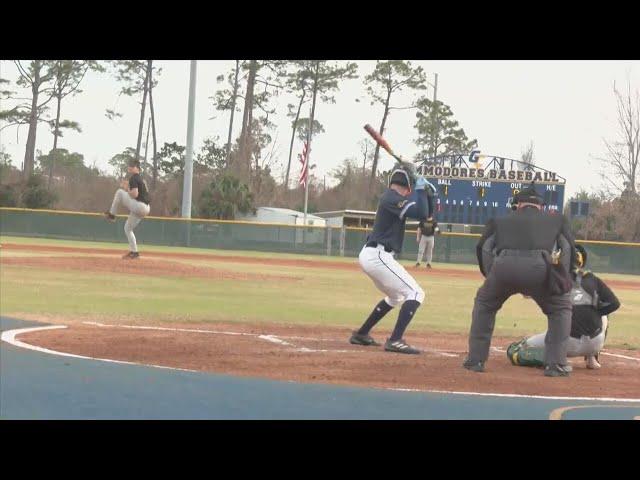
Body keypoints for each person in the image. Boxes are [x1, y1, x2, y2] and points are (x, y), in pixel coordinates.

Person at [463, 181, 577, 377]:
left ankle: (475, 361)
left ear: (517, 205)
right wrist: (561, 279)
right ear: (541, 206)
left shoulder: (498, 220)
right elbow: (567, 249)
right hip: (539, 267)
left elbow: (484, 248)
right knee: (560, 309)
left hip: (503, 266)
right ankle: (555, 365)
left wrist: (491, 275)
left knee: (484, 304)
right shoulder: (557, 220)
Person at [349, 162, 434, 354]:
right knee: (416, 293)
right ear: (407, 187)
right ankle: (395, 340)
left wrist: (430, 194)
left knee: (395, 297)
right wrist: (421, 190)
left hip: (375, 255)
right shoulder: (391, 198)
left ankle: (361, 334)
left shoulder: (392, 198)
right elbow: (421, 212)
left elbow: (426, 215)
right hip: (377, 255)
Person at [507, 244, 621, 370]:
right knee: (604, 312)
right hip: (595, 343)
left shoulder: (552, 278)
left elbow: (525, 292)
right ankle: (592, 358)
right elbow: (615, 304)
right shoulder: (591, 278)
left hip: (566, 344)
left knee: (517, 349)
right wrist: (594, 311)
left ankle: (551, 358)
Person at [104, 158, 151, 259]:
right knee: (128, 228)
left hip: (139, 206)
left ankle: (112, 215)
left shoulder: (134, 178)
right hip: (146, 208)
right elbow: (142, 193)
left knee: (120, 192)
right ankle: (134, 252)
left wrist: (127, 189)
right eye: (129, 166)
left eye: (131, 166)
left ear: (137, 168)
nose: (129, 167)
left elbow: (134, 194)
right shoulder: (141, 179)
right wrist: (129, 189)